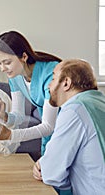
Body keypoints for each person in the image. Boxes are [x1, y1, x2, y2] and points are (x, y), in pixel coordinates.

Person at [32, 59, 105, 194]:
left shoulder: (74, 110)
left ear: (66, 83)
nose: (48, 86)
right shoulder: (99, 102)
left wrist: (45, 166)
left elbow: (50, 174)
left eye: (53, 78)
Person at [0, 31, 61, 155]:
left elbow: (48, 126)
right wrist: (4, 116)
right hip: (50, 134)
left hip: (69, 126)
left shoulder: (50, 73)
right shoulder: (15, 77)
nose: (2, 69)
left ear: (24, 57)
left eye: (7, 62)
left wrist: (10, 135)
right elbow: (19, 115)